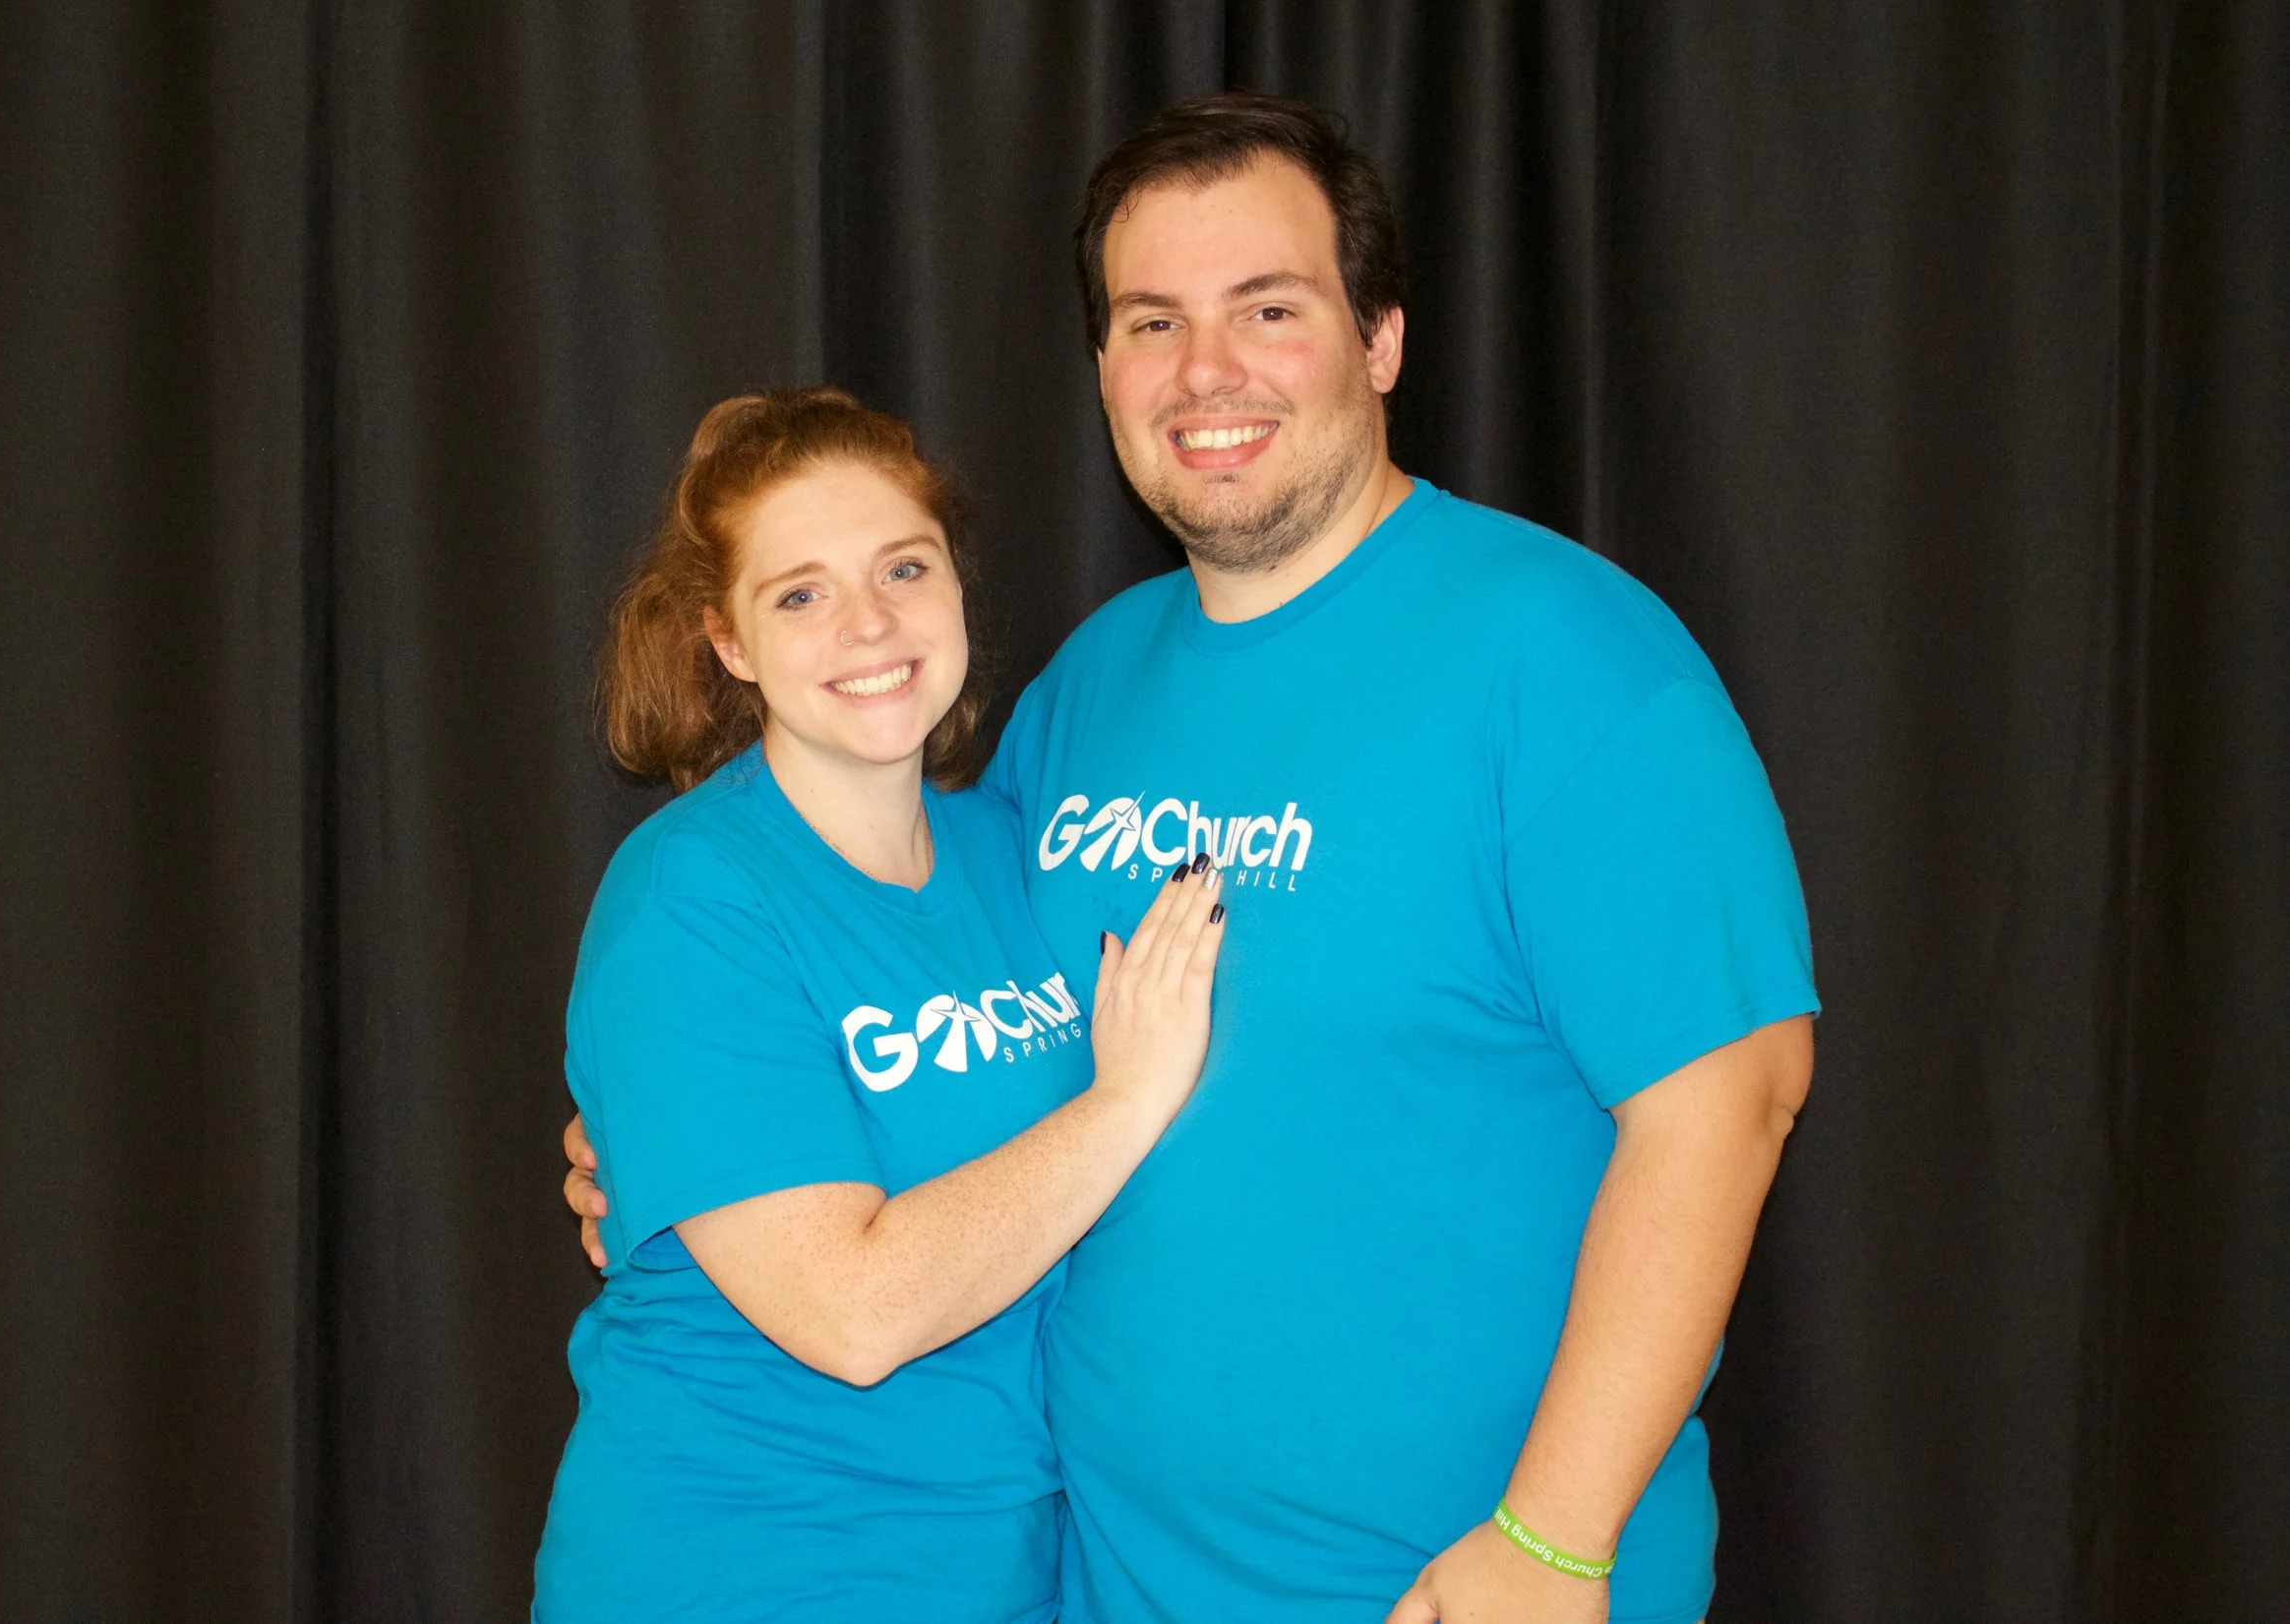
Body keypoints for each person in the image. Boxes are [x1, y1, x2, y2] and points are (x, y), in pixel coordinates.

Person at [568, 94, 1817, 1624]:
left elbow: (1730, 1095)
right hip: (1101, 1584)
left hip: (1453, 1585)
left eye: (1268, 308)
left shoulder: (1567, 657)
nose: (1204, 369)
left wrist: (1552, 1537)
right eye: (1152, 321)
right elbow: (922, 1029)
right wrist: (677, 1150)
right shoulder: (1085, 692)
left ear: (1382, 341)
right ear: (1104, 366)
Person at [532, 388, 1226, 1624]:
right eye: (799, 594)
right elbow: (851, 1313)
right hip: (737, 1572)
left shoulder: (1009, 849)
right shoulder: (690, 895)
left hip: (999, 1569)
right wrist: (1127, 1100)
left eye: (903, 567)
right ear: (730, 642)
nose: (868, 624)